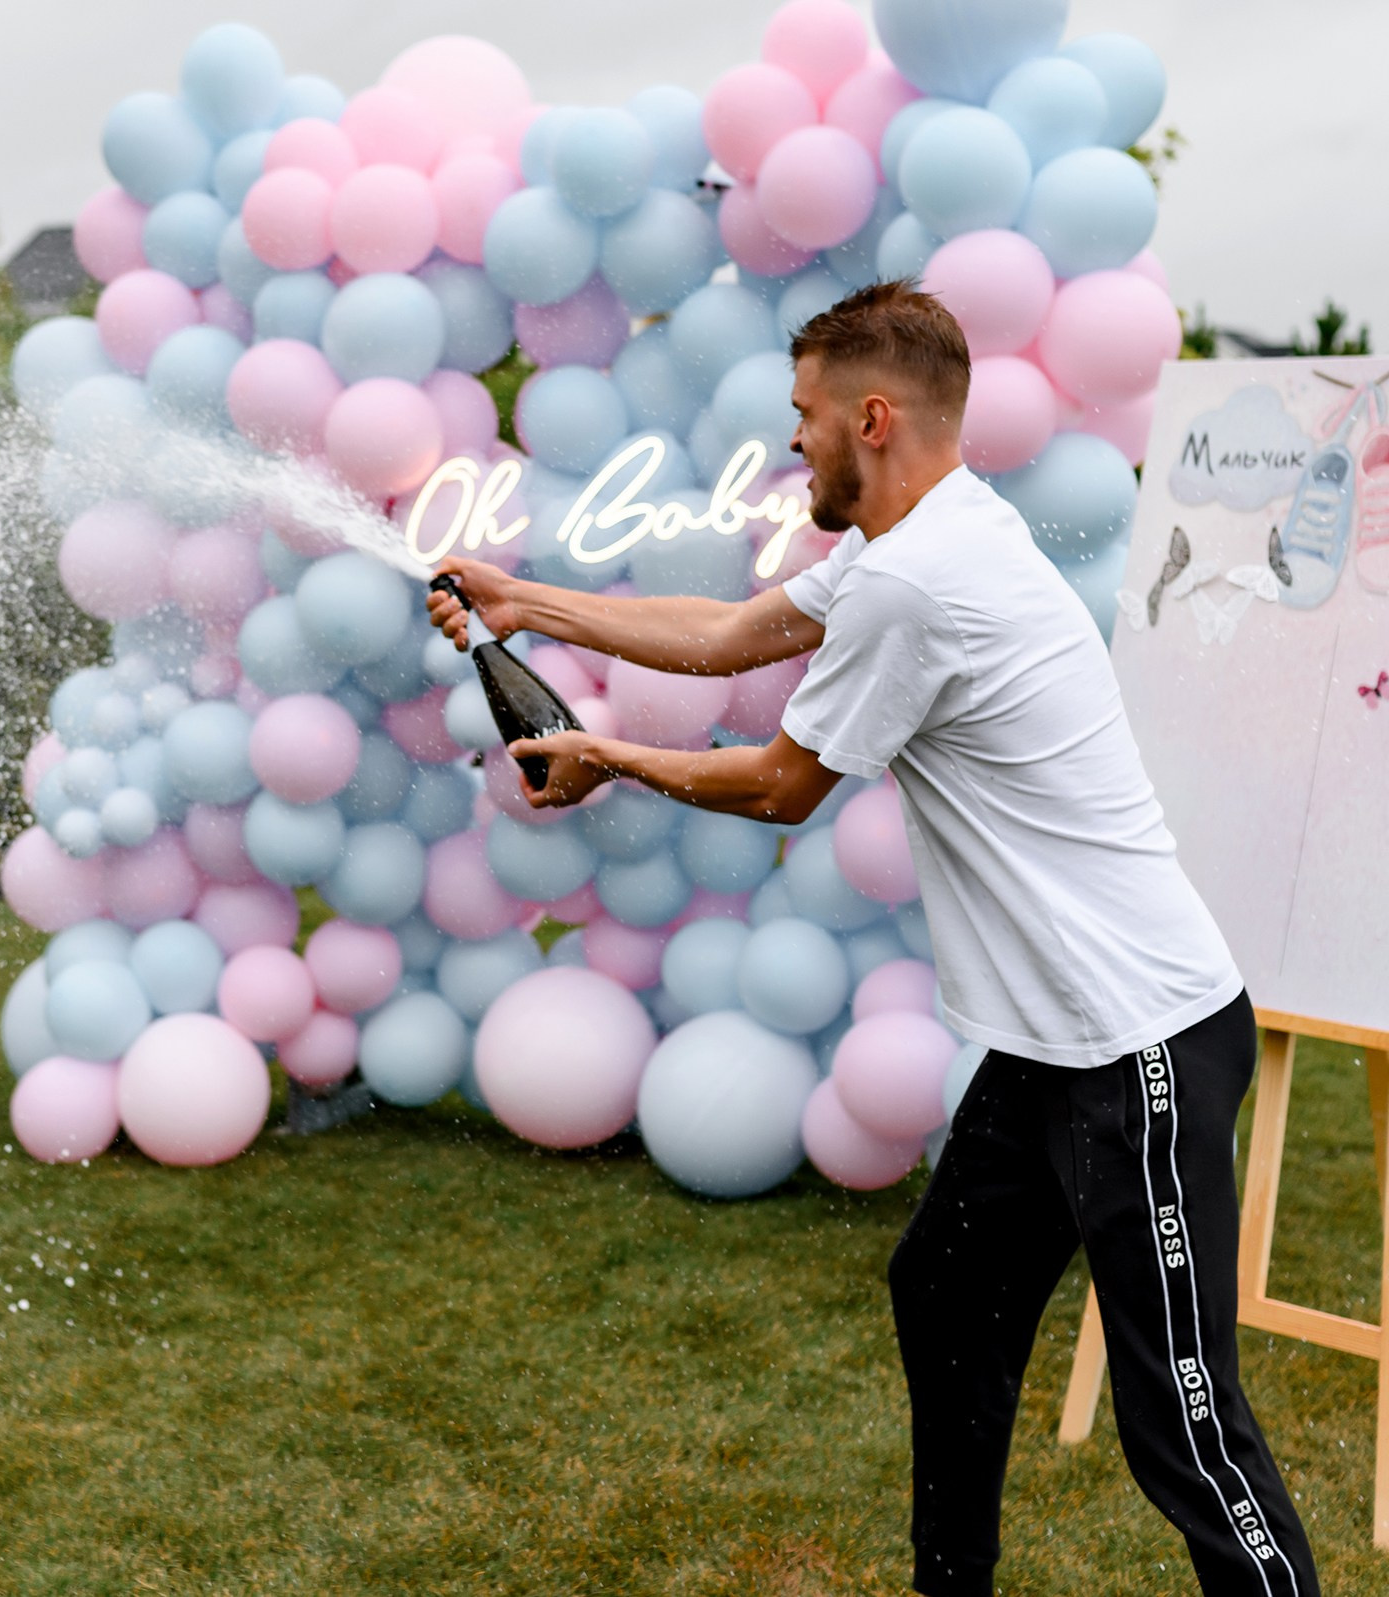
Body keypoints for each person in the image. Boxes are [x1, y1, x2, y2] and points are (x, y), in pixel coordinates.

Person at [427, 282, 1316, 1596]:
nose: (794, 441)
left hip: (1140, 1044)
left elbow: (783, 786)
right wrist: (530, 604)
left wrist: (606, 755)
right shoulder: (924, 531)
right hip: (1053, 1044)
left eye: (807, 416)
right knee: (946, 1291)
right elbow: (729, 635)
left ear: (875, 419)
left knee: (1183, 1422)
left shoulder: (917, 579)